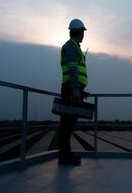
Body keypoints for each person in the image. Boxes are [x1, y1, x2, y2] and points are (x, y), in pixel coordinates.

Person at [58, 19, 88, 165]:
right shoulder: (71, 46)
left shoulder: (74, 46)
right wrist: (76, 89)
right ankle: (65, 156)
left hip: (74, 88)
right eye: (83, 32)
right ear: (80, 32)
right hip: (71, 89)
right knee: (67, 123)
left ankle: (66, 154)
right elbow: (72, 67)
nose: (84, 35)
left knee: (68, 123)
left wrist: (81, 89)